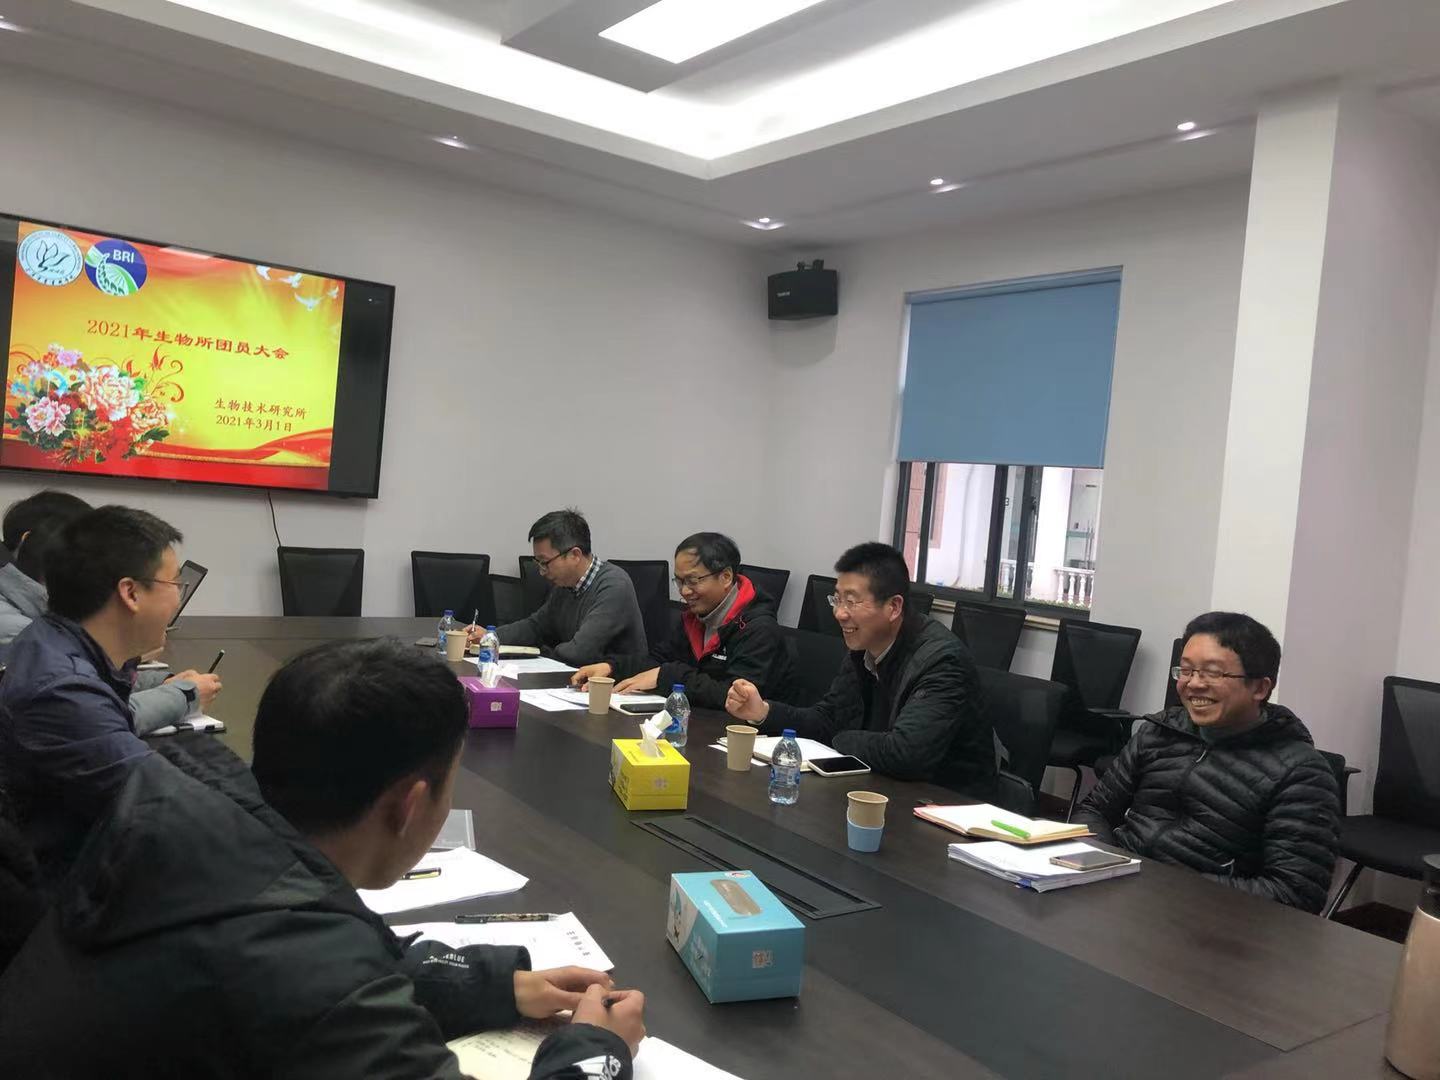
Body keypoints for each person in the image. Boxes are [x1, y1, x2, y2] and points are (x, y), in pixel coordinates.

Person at [0, 638, 644, 1077]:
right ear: (409, 805)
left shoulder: (187, 824)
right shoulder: (310, 975)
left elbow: (308, 958)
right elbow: (315, 981)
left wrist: (491, 985)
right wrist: (596, 1051)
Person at [0, 505, 219, 879]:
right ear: (130, 592)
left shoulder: (53, 640)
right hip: (65, 889)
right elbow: (167, 810)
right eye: (175, 585)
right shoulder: (61, 693)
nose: (178, 601)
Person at [1074, 611, 1339, 913]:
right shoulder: (1160, 730)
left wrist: (1159, 887)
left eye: (1213, 673)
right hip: (1121, 893)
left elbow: (1294, 894)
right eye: (1186, 670)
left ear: (1260, 688)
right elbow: (1095, 810)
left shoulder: (1301, 773)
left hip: (1210, 919)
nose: (1194, 684)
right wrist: (1101, 864)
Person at [726, 542, 995, 794]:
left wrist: (840, 739)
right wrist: (763, 712)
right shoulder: (865, 646)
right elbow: (828, 718)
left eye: (851, 601)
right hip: (883, 786)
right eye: (837, 599)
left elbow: (907, 753)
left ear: (893, 607)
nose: (839, 613)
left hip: (946, 803)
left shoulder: (942, 662)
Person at [0, 491, 214, 734]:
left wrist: (161, 682)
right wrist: (183, 695)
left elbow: (92, 684)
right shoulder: (22, 630)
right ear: (29, 542)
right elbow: (89, 712)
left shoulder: (34, 608)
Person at [570, 532, 798, 709]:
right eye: (679, 581)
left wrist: (670, 676)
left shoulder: (758, 628)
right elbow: (659, 661)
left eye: (693, 581)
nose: (685, 591)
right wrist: (612, 667)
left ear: (726, 577)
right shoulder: (695, 617)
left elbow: (736, 698)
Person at [476, 508, 647, 666]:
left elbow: (579, 652)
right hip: (574, 679)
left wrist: (538, 653)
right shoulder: (565, 586)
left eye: (545, 562)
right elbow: (536, 626)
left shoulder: (613, 586)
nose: (542, 571)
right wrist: (490, 637)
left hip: (615, 685)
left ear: (574, 555)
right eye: (538, 563)